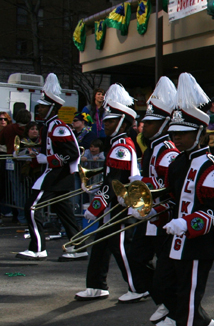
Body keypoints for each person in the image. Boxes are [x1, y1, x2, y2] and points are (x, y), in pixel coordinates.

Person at [146, 72, 214, 326]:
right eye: (175, 132)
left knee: (187, 300)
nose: (176, 137)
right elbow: (172, 198)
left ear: (199, 132)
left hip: (198, 245)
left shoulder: (213, 168)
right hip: (176, 241)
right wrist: (153, 211)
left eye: (182, 132)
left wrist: (188, 224)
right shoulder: (179, 162)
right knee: (161, 287)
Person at [75, 83, 145, 301]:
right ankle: (96, 285)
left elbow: (115, 180)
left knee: (121, 247)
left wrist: (95, 206)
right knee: (101, 245)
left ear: (123, 123)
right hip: (114, 204)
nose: (106, 124)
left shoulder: (122, 146)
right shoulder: (116, 144)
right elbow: (111, 179)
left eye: (111, 121)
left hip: (120, 205)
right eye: (105, 120)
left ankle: (139, 287)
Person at [126, 77, 180, 326]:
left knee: (166, 270)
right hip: (150, 216)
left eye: (148, 123)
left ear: (161, 125)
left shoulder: (167, 150)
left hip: (164, 219)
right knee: (136, 256)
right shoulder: (152, 148)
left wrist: (147, 202)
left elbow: (170, 190)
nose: (142, 126)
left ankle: (173, 308)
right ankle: (164, 301)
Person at [16, 74, 84, 262]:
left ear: (52, 107)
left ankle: (38, 248)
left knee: (31, 207)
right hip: (56, 176)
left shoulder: (58, 127)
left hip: (56, 176)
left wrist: (46, 160)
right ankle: (79, 246)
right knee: (65, 213)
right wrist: (38, 155)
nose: (40, 109)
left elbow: (72, 153)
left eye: (44, 106)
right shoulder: (49, 125)